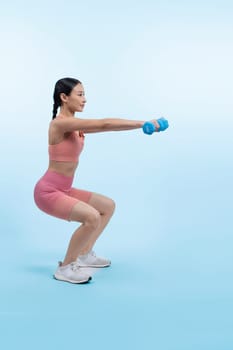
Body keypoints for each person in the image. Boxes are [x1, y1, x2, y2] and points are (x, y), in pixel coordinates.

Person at [34, 77, 167, 284]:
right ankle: (66, 267)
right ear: (64, 97)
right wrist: (143, 123)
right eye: (80, 94)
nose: (84, 99)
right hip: (48, 192)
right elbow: (104, 123)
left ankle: (85, 254)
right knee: (92, 217)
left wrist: (142, 124)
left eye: (84, 94)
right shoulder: (60, 124)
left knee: (107, 206)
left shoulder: (75, 125)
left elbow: (109, 126)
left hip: (64, 189)